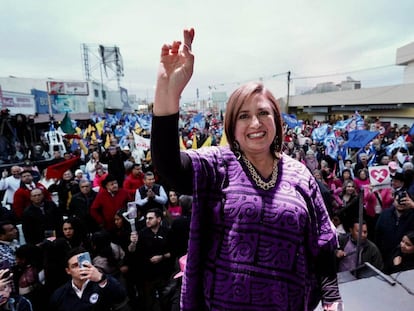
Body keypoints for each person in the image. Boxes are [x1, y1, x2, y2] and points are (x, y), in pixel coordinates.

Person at [150, 28, 342, 311]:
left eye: (263, 113)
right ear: (231, 126)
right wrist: (168, 91)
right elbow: (168, 167)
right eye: (244, 116)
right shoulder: (217, 165)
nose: (255, 123)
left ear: (276, 120)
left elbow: (323, 244)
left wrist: (332, 299)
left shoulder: (300, 174)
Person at [48, 247, 128, 311]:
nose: (80, 268)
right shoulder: (59, 294)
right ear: (68, 271)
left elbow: (121, 297)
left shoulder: (102, 283)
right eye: (75, 265)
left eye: (82, 264)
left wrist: (101, 278)